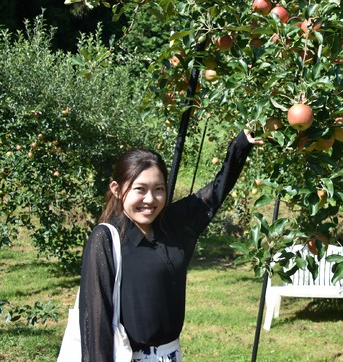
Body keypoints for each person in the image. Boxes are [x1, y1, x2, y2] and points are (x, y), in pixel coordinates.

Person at [79, 129, 262, 362]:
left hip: (172, 355)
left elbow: (216, 192)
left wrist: (241, 144)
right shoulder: (106, 238)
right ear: (117, 189)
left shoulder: (174, 225)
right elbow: (96, 321)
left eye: (159, 189)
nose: (150, 199)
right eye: (140, 189)